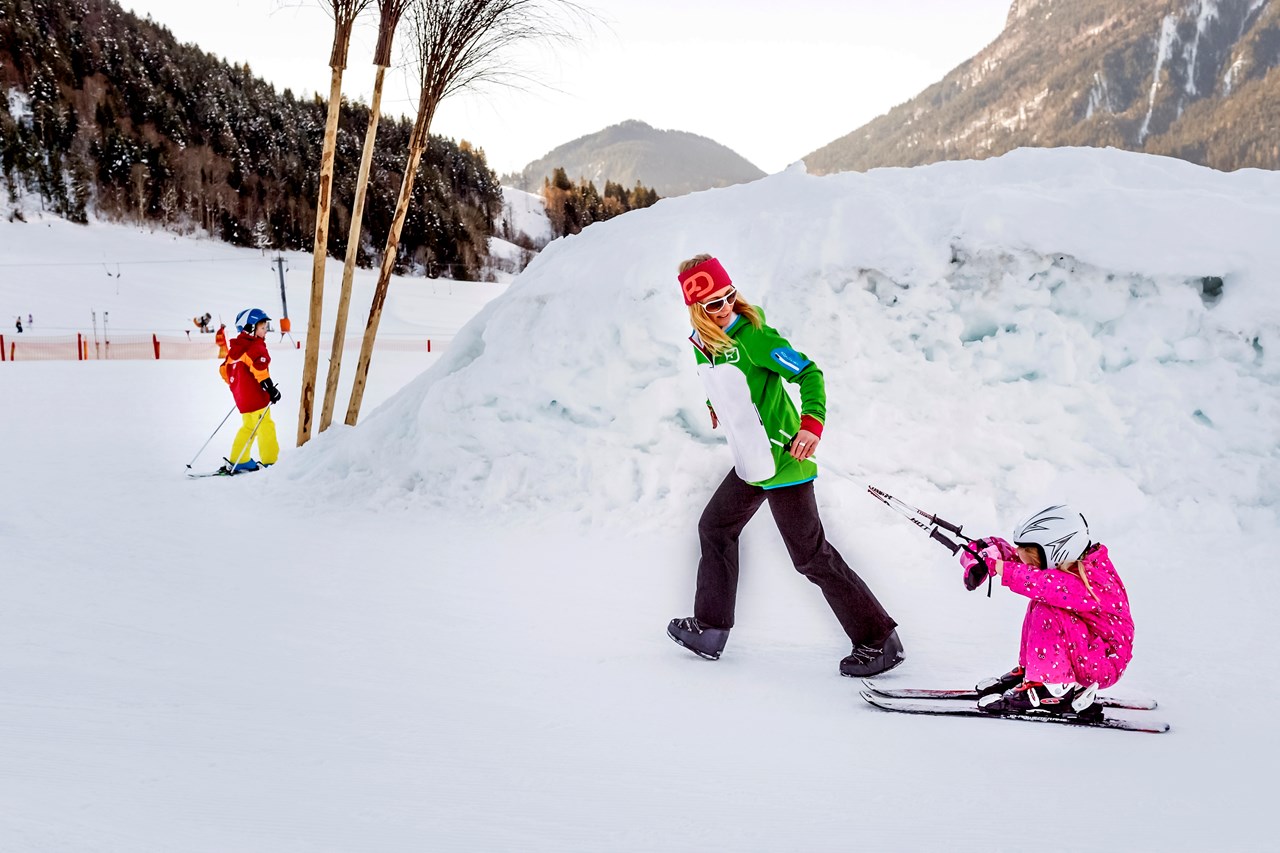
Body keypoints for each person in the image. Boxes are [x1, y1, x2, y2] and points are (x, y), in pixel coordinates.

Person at [666, 254, 904, 677]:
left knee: (810, 556)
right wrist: (715, 405)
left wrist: (811, 425)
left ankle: (879, 640)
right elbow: (725, 383)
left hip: (784, 460)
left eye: (729, 296)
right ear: (696, 310)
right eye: (715, 304)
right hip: (751, 462)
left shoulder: (755, 337)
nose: (726, 307)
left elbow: (809, 373)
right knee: (716, 528)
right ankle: (711, 628)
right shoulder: (705, 346)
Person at [958, 504, 1134, 718]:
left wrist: (999, 567)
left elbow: (1042, 582)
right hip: (1091, 651)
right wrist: (992, 552)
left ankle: (1051, 688)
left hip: (1103, 661)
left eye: (1032, 554)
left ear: (1057, 549)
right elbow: (1031, 569)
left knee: (1047, 610)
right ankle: (1034, 672)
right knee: (1042, 603)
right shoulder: (1075, 563)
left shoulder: (1091, 581)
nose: (1024, 558)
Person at [222, 307, 281, 473]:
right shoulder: (254, 347)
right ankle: (271, 461)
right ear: (249, 328)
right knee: (265, 426)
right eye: (262, 328)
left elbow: (224, 371)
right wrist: (270, 389)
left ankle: (239, 460)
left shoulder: (234, 350)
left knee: (248, 427)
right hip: (257, 399)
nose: (266, 331)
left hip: (242, 399)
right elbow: (260, 368)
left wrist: (241, 386)